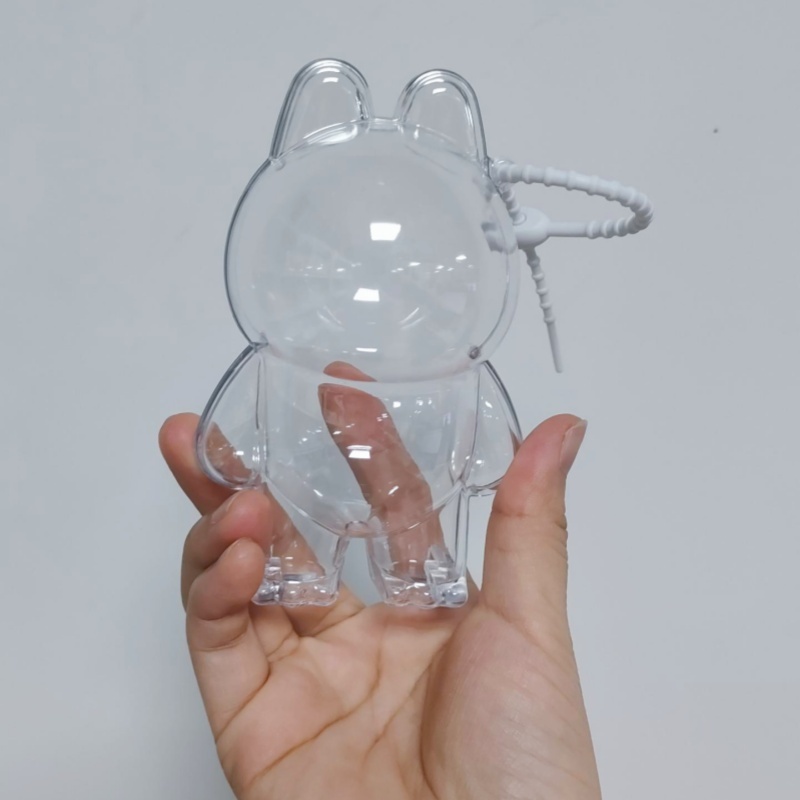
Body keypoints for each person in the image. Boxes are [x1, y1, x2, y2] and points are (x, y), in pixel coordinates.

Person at [159, 410, 600, 799]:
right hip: (301, 490)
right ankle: (298, 576)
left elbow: (487, 457)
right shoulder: (273, 370)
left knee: (405, 560)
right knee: (261, 546)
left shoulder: (460, 378)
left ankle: (415, 580)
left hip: (352, 494)